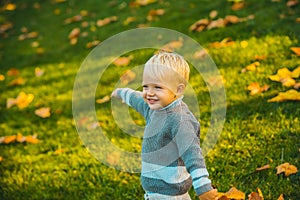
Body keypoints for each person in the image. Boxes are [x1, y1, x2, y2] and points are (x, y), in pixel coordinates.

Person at [111, 51, 218, 200]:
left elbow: (193, 155)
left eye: (158, 87)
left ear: (178, 90)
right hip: (156, 192)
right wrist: (121, 93)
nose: (149, 93)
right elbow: (137, 99)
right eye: (146, 86)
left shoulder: (180, 120)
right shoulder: (153, 108)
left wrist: (204, 188)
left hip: (170, 194)